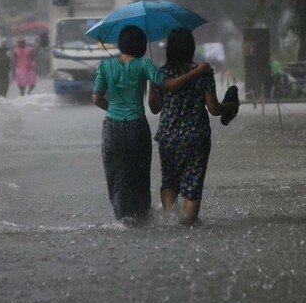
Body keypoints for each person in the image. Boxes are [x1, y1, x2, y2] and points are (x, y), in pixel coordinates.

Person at [92, 25, 211, 221]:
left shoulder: (104, 66)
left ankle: (121, 218)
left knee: (115, 173)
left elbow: (96, 98)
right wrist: (199, 70)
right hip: (137, 126)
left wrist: (113, 111)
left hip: (111, 128)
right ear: (140, 45)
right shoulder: (143, 65)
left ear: (121, 44)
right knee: (139, 175)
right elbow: (171, 84)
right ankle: (141, 217)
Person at [148, 28, 239, 223]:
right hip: (196, 137)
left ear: (170, 49)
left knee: (169, 181)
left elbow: (155, 108)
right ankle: (188, 225)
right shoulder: (203, 73)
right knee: (193, 185)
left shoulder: (162, 74)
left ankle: (170, 222)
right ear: (191, 48)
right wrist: (230, 106)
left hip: (168, 137)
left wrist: (152, 84)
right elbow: (214, 109)